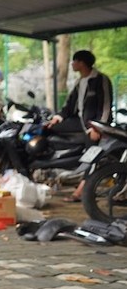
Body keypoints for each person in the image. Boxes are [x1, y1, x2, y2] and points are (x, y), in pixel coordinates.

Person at [45, 49, 114, 202]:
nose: (72, 64)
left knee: (91, 157)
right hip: (80, 124)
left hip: (94, 127)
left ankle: (80, 192)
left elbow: (106, 106)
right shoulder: (79, 82)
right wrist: (58, 117)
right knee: (47, 129)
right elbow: (70, 105)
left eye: (74, 61)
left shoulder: (100, 79)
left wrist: (98, 127)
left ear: (81, 63)